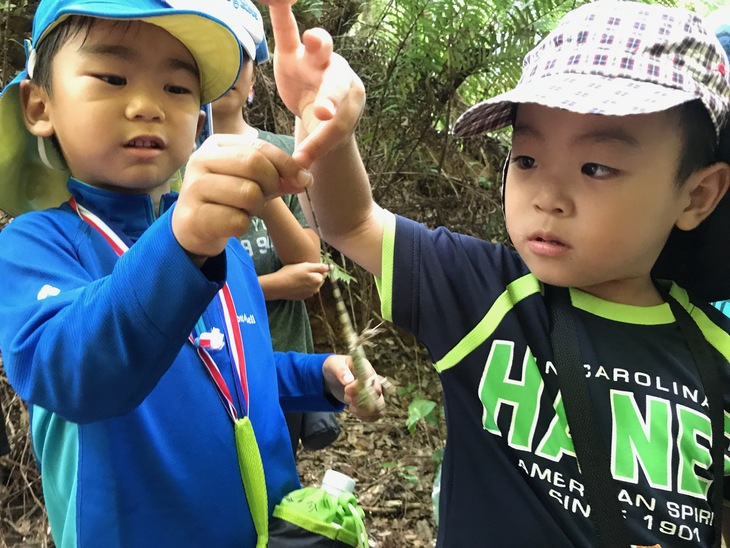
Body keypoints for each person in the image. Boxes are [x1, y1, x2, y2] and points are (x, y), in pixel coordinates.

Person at [267, 0, 730, 546]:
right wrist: (327, 128)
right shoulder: (486, 293)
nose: (547, 198)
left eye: (596, 167)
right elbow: (352, 221)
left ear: (697, 194)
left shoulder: (716, 353)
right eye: (527, 160)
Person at [0, 0, 384, 546]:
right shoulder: (36, 245)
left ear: (199, 120)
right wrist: (182, 243)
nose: (147, 105)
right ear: (40, 105)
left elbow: (228, 366)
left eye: (177, 89)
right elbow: (69, 370)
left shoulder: (221, 243)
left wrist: (316, 373)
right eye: (112, 76)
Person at [209, 35, 340, 456]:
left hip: (283, 349)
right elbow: (170, 285)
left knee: (277, 473)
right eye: (212, 57)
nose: (226, 68)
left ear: (252, 82)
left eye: (238, 58)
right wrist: (276, 285)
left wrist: (266, 191)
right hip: (210, 360)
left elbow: (308, 261)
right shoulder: (175, 165)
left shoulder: (287, 152)